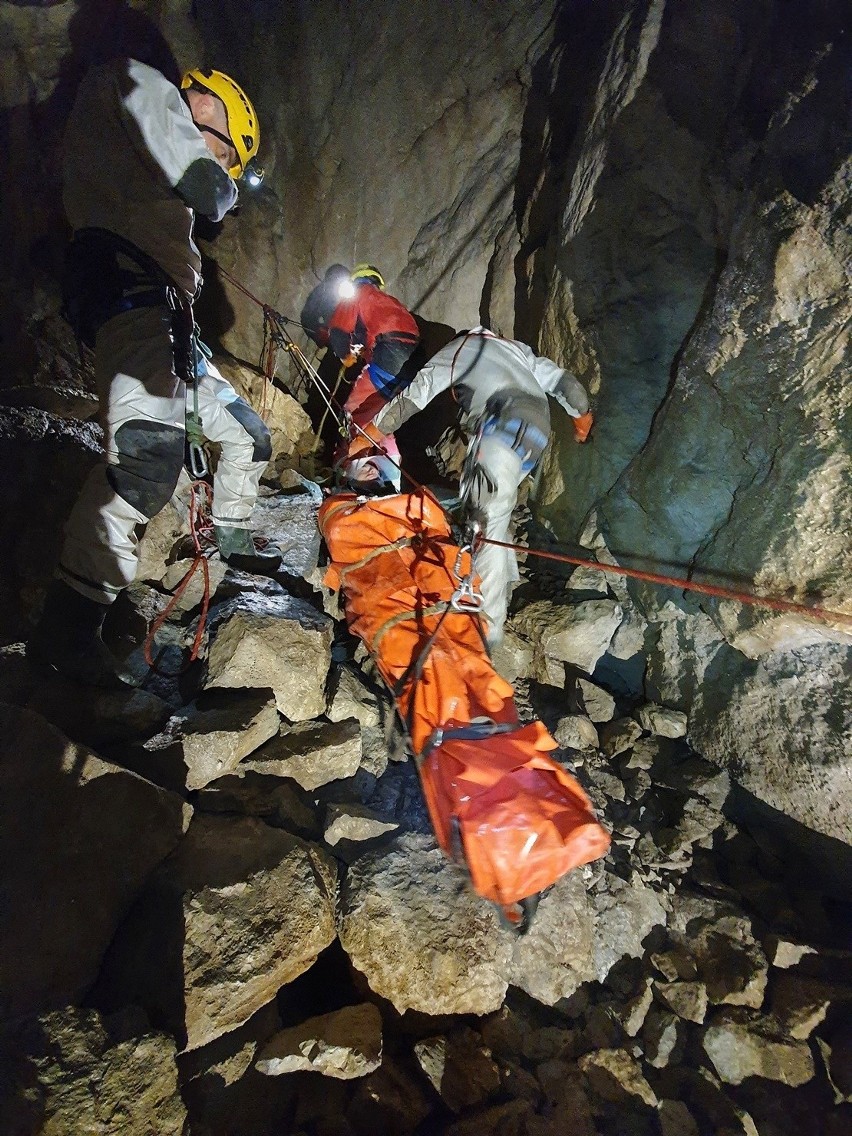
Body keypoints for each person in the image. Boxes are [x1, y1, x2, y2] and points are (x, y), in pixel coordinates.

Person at [28, 59, 276, 687]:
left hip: (169, 317)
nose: (217, 159)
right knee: (145, 460)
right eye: (225, 148)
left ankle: (233, 539)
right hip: (131, 289)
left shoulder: (150, 149)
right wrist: (228, 183)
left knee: (249, 432)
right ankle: (68, 633)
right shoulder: (138, 82)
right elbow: (210, 189)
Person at [373, 327, 594, 646]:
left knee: (485, 530)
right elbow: (567, 386)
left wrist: (371, 429)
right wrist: (583, 419)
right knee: (495, 513)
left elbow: (414, 395)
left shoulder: (460, 350)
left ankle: (485, 637)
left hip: (499, 426)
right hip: (535, 436)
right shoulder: (516, 349)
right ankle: (501, 587)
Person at [300, 264, 420, 490]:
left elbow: (338, 333)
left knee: (354, 414)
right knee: (384, 420)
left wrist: (346, 356)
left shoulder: (357, 294)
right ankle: (392, 478)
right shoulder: (390, 303)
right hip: (413, 363)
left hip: (389, 355)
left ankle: (352, 472)